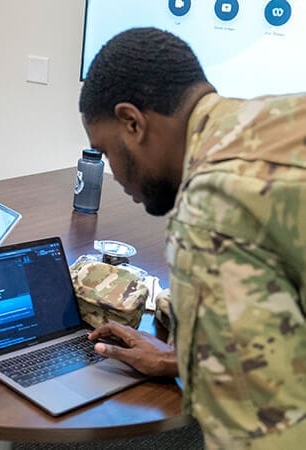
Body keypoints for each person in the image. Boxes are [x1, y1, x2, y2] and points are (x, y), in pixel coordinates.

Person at [79, 28, 305, 448]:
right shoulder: (279, 119)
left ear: (132, 122)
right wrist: (192, 357)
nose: (112, 171)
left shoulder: (212, 206)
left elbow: (264, 435)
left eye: (106, 152)